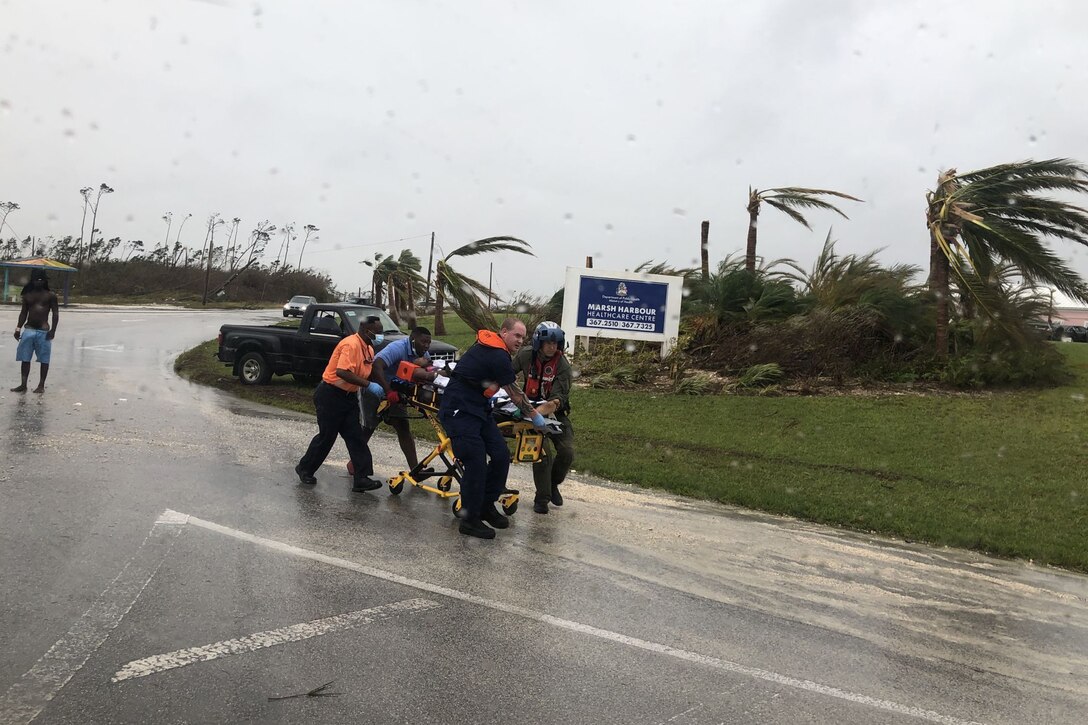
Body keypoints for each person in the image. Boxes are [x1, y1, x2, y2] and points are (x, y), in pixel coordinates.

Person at [439, 318, 546, 539]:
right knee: (476, 461)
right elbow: (515, 392)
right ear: (503, 332)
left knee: (500, 455)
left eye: (523, 337)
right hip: (459, 409)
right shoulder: (496, 354)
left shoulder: (497, 352)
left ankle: (486, 505)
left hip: (479, 409)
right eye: (517, 335)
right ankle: (469, 520)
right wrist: (534, 415)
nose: (520, 340)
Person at [296, 315, 387, 493]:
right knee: (327, 436)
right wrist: (368, 385)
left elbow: (365, 371)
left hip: (348, 396)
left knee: (356, 437)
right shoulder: (351, 344)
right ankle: (305, 468)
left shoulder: (368, 348)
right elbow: (342, 371)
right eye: (377, 332)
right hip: (330, 395)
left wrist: (383, 388)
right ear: (365, 329)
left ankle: (361, 478)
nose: (380, 336)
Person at [513, 321, 575, 514]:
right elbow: (505, 373)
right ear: (539, 342)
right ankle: (542, 498)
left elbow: (556, 401)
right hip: (529, 410)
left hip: (553, 413)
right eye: (548, 342)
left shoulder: (563, 366)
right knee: (542, 453)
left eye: (556, 343)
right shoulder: (525, 356)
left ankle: (553, 483)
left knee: (567, 451)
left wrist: (533, 413)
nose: (552, 346)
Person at [365, 326, 439, 472]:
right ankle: (356, 465)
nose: (426, 346)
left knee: (403, 429)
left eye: (429, 343)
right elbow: (376, 366)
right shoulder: (397, 348)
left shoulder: (424, 355)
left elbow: (424, 378)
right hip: (377, 390)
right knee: (367, 428)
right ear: (412, 339)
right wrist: (388, 390)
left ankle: (415, 470)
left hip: (397, 395)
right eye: (423, 342)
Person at [12, 269, 59, 394]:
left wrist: (53, 330)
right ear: (32, 281)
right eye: (36, 280)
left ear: (45, 281)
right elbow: (23, 313)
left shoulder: (51, 296)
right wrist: (18, 328)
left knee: (44, 359)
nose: (39, 282)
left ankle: (41, 385)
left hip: (44, 331)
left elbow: (55, 314)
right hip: (29, 329)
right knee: (25, 358)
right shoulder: (27, 295)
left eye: (41, 280)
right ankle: (23, 384)